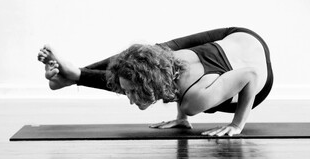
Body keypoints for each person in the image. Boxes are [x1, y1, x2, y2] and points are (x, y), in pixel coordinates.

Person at [37, 27, 273, 137]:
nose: (127, 99)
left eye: (130, 93)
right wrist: (182, 119)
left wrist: (236, 125)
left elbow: (250, 75)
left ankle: (74, 75)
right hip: (235, 38)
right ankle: (74, 74)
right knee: (143, 57)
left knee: (144, 64)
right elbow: (170, 83)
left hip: (254, 61)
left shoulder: (196, 101)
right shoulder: (166, 64)